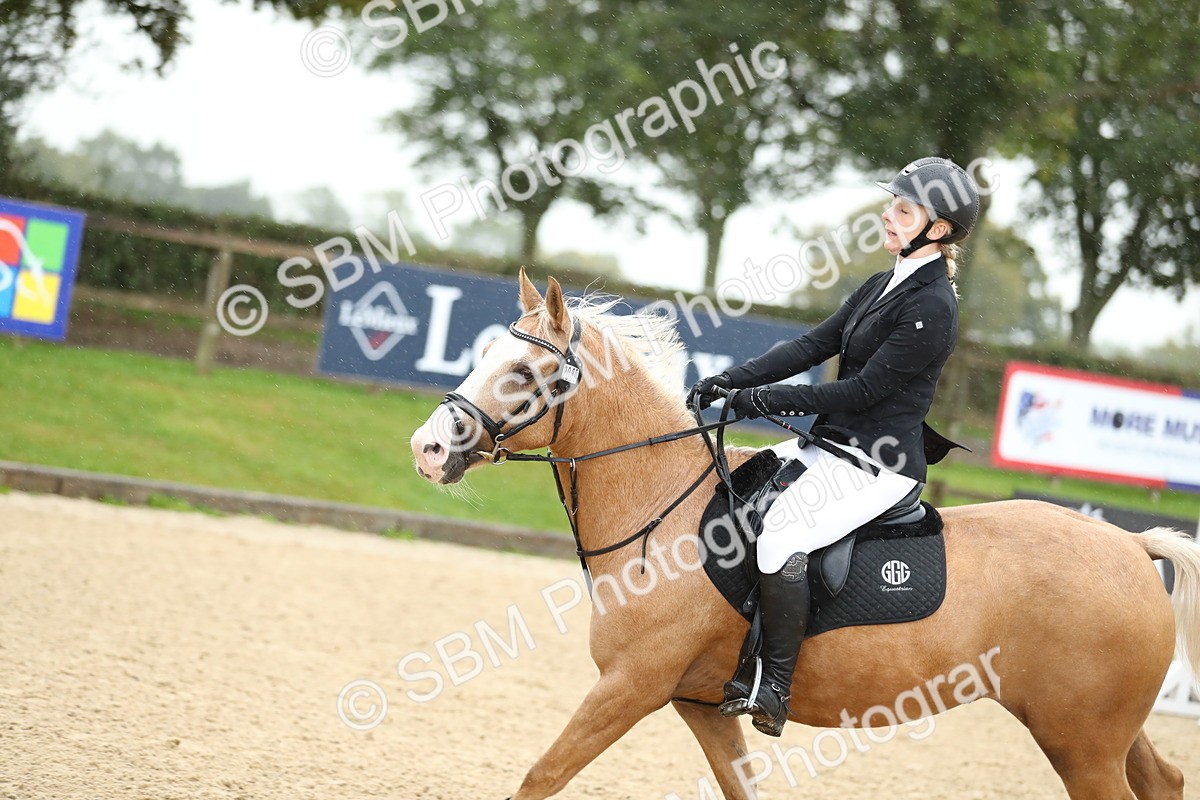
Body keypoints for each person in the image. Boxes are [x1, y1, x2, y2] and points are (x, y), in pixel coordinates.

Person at [690, 156, 980, 736]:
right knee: (741, 498)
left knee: (782, 534)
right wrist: (731, 380)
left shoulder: (932, 306)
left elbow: (863, 391)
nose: (888, 215)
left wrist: (765, 401)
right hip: (834, 447)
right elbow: (813, 345)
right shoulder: (882, 284)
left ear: (938, 229)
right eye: (892, 204)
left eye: (904, 210)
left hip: (878, 463)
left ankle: (774, 686)